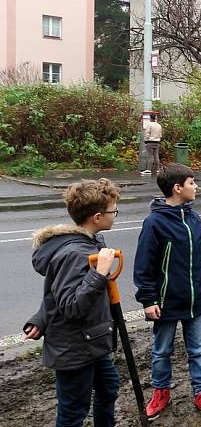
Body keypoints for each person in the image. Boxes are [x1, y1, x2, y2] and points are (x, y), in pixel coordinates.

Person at [134, 163, 201, 420]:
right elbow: (143, 266)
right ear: (177, 188)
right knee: (162, 351)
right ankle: (161, 392)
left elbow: (200, 253)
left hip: (197, 300)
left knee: (199, 350)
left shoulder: (193, 217)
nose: (196, 187)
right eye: (192, 183)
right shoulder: (154, 223)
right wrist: (148, 300)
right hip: (167, 302)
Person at [22, 178, 122, 427]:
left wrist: (41, 318)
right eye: (114, 211)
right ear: (97, 217)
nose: (116, 215)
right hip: (74, 347)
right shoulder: (75, 253)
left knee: (108, 387)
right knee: (73, 413)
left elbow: (55, 292)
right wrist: (99, 274)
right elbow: (70, 306)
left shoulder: (92, 242)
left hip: (92, 339)